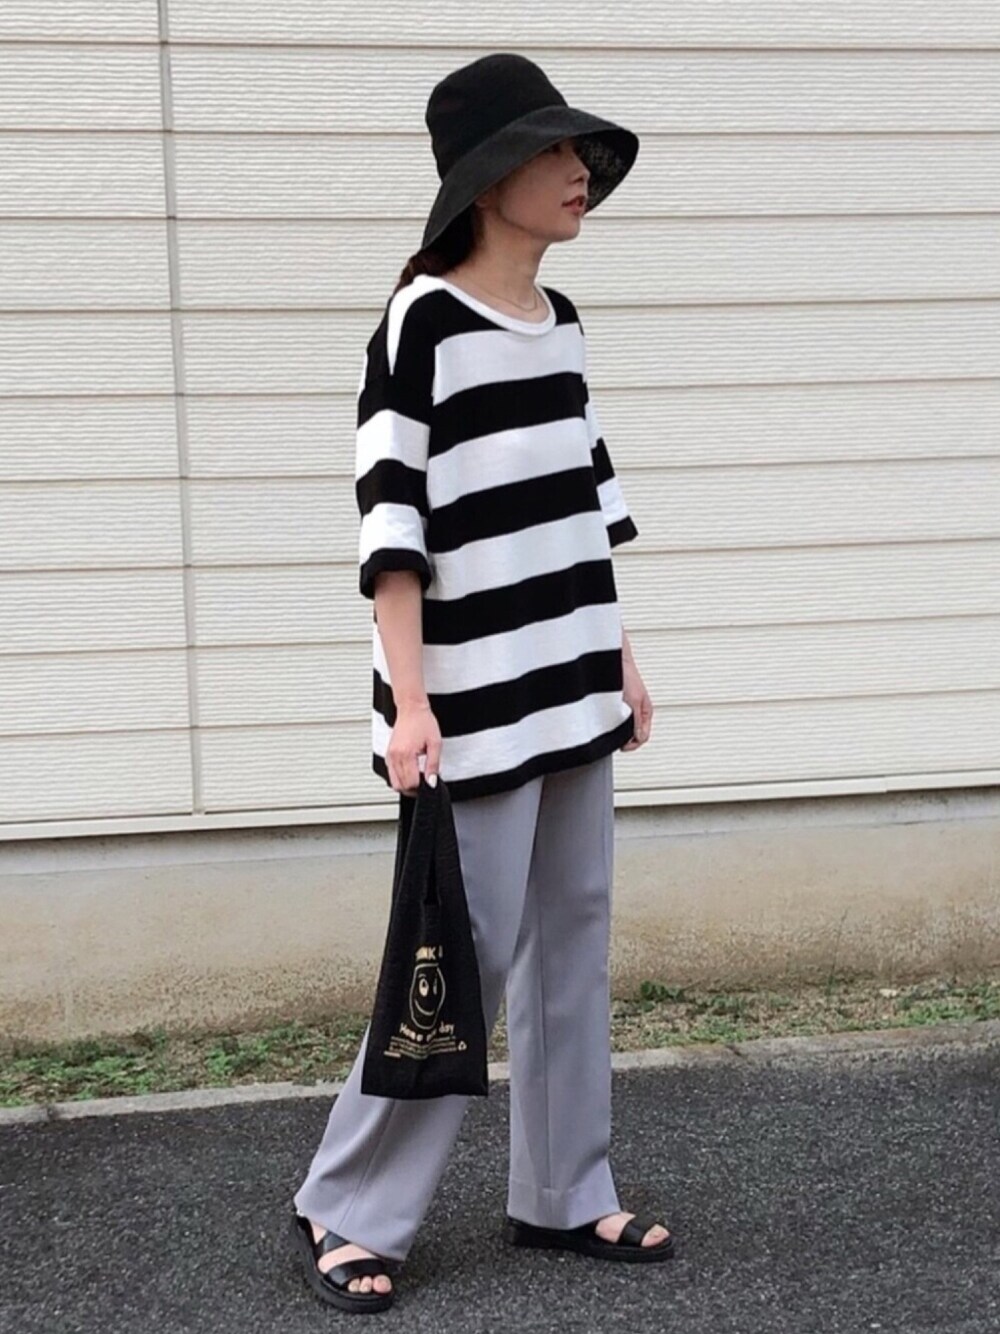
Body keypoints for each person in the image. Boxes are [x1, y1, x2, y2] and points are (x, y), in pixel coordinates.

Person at [290, 52, 673, 1315]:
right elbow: (389, 523)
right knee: (456, 956)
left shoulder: (559, 323)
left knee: (573, 939)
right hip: (466, 701)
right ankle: (347, 1203)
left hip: (569, 680)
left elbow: (583, 508)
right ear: (486, 178)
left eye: (579, 154)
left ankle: (564, 1187)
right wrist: (408, 703)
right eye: (551, 153)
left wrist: (619, 658)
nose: (577, 174)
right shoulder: (423, 324)